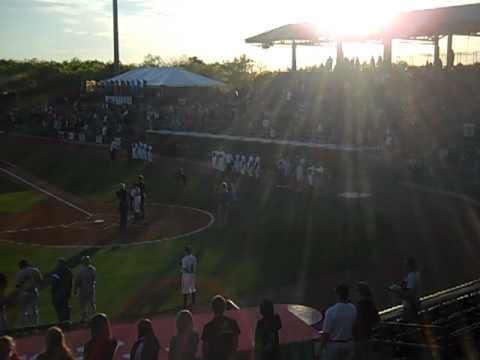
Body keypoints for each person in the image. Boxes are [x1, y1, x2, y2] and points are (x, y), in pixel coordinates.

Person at [320, 284, 357, 360]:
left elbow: (326, 333)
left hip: (334, 345)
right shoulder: (353, 308)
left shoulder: (331, 311)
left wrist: (320, 349)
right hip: (349, 344)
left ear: (337, 295)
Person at [201, 295, 241, 360]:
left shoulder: (207, 327)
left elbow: (205, 348)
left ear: (212, 308)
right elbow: (235, 343)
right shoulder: (232, 322)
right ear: (224, 307)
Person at [389, 257, 421, 322]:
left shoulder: (412, 276)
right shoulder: (415, 274)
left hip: (411, 306)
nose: (405, 267)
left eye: (406, 265)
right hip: (412, 304)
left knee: (412, 323)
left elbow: (410, 292)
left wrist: (397, 290)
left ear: (409, 265)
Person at [353, 282, 380, 360]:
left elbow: (360, 322)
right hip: (369, 335)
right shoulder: (371, 303)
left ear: (360, 293)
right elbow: (376, 319)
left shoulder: (362, 305)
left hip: (362, 337)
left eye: (356, 291)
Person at [15, 259, 43, 327]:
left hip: (23, 293)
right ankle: (35, 326)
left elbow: (18, 286)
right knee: (33, 310)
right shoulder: (34, 270)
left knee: (23, 311)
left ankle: (24, 327)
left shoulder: (19, 273)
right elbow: (40, 281)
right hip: (33, 292)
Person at [49, 258, 73, 322]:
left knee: (60, 311)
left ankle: (63, 323)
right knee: (65, 309)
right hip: (65, 293)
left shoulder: (56, 272)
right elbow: (70, 284)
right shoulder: (68, 272)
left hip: (58, 294)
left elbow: (54, 284)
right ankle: (66, 322)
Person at [74, 256, 96, 322]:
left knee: (83, 305)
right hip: (91, 289)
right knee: (92, 304)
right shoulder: (93, 269)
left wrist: (75, 289)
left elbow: (77, 281)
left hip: (83, 289)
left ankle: (84, 318)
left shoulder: (81, 270)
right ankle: (93, 317)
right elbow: (94, 279)